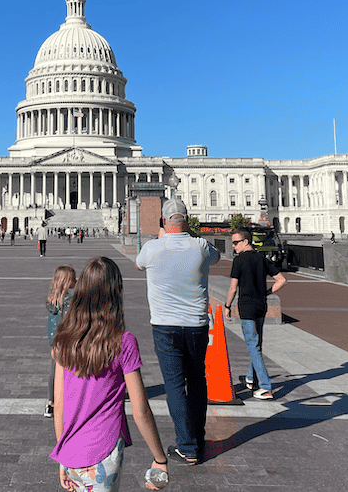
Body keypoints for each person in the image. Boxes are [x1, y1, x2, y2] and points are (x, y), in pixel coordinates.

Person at [52, 257, 170, 491]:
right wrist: (160, 458)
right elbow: (140, 409)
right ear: (115, 293)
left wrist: (62, 456)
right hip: (104, 450)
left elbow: (59, 403)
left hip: (71, 451)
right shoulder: (123, 342)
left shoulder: (63, 338)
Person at [135, 198, 219, 466]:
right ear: (187, 219)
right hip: (196, 325)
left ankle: (187, 446)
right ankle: (197, 438)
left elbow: (139, 264)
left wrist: (162, 238)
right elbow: (216, 256)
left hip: (165, 325)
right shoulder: (201, 246)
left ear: (163, 221)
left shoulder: (152, 248)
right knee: (197, 381)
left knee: (174, 385)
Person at [223, 228, 287, 399]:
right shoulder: (261, 258)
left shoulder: (239, 261)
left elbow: (233, 287)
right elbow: (281, 280)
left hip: (246, 307)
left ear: (245, 241)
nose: (234, 246)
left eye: (236, 242)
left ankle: (265, 387)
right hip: (261, 306)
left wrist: (227, 305)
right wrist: (267, 293)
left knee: (253, 346)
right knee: (256, 344)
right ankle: (251, 378)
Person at [45, 265, 76, 418]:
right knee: (67, 370)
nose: (75, 281)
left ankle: (50, 402)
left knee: (54, 370)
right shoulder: (68, 300)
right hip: (65, 339)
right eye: (73, 278)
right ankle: (62, 401)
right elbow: (67, 321)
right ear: (66, 281)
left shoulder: (51, 298)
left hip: (54, 339)